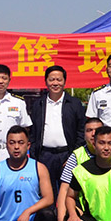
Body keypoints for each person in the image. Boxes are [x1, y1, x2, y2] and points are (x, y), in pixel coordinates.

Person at [28, 65, 86, 197]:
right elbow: (33, 132)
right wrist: (35, 154)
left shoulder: (74, 103)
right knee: (46, 193)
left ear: (64, 82)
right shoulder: (38, 104)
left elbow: (81, 131)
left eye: (59, 80)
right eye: (52, 79)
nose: (55, 83)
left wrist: (74, 155)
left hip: (67, 155)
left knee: (68, 193)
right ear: (46, 82)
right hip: (44, 156)